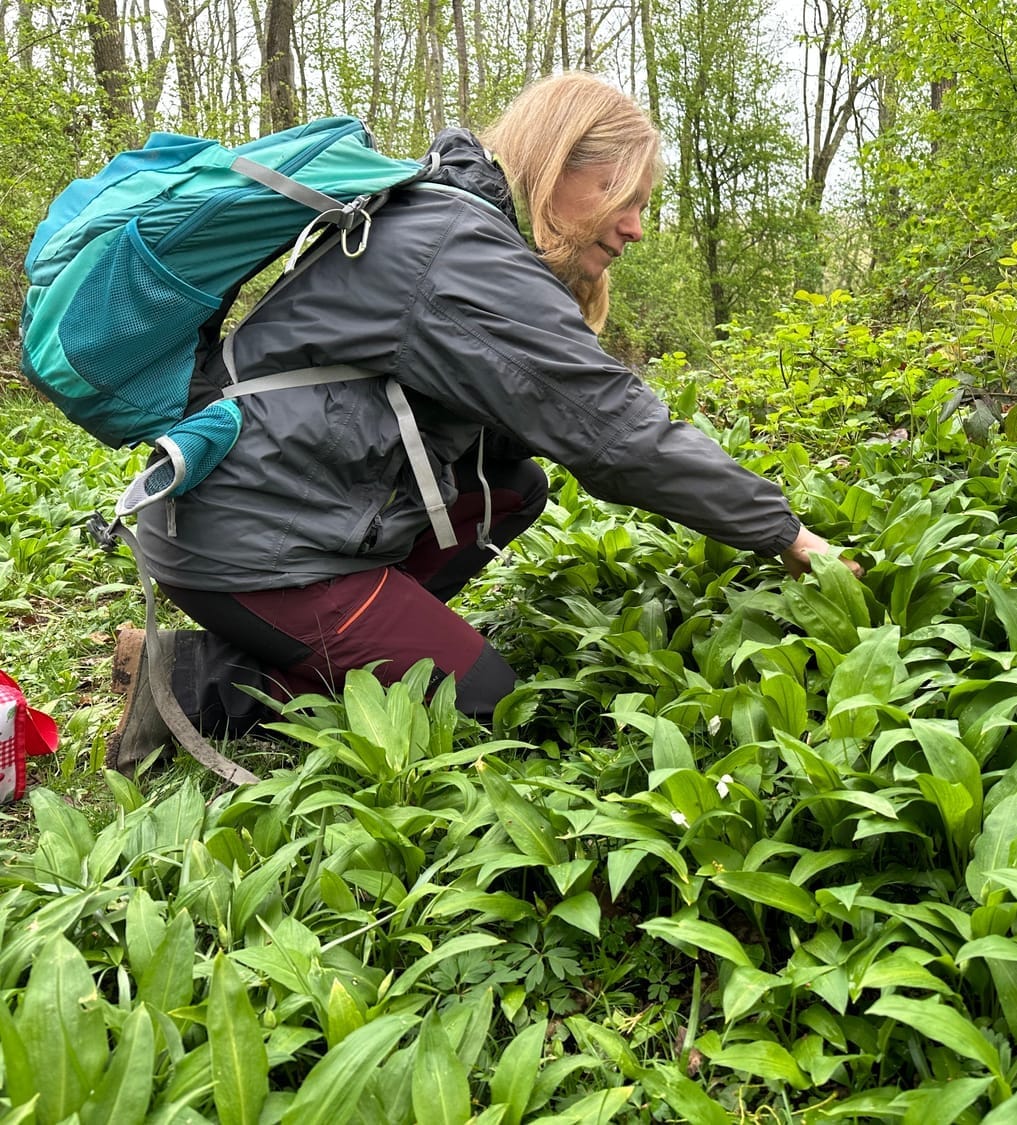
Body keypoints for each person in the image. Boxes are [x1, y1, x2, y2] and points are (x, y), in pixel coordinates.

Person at [109, 72, 857, 773]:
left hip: (273, 509)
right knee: (481, 701)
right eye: (618, 193)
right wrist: (785, 532)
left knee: (513, 486)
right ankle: (190, 678)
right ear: (559, 164)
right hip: (257, 546)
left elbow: (547, 420)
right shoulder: (458, 250)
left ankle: (348, 636)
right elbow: (616, 430)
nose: (633, 227)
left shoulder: (449, 219)